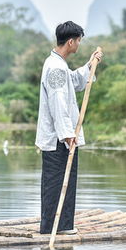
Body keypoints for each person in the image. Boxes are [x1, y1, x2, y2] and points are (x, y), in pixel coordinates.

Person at [35, 21, 102, 234]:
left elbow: (73, 81)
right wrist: (66, 134)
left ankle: (63, 226)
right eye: (79, 41)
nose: (79, 45)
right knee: (56, 183)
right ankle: (52, 228)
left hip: (61, 137)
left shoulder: (59, 65)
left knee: (66, 181)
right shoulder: (55, 67)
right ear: (71, 41)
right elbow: (57, 102)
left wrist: (90, 65)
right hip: (58, 139)